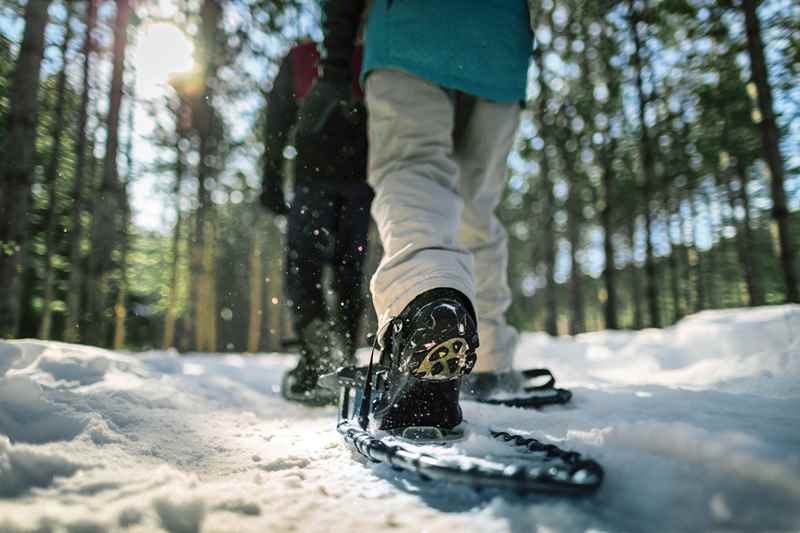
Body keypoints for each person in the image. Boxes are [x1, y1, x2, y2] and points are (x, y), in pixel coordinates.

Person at [299, 1, 533, 429]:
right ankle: (491, 359)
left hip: (410, 32)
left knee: (412, 171)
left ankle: (428, 314)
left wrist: (333, 66)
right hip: (501, 44)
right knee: (477, 205)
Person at [261, 38, 372, 404]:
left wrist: (272, 178)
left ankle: (317, 357)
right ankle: (339, 353)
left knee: (304, 267)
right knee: (348, 270)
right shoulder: (375, 55)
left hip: (315, 181)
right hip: (358, 183)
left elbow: (277, 119)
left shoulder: (304, 57)